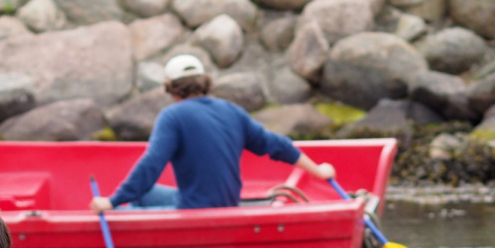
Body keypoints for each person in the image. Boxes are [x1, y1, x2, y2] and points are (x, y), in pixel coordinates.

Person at [88, 54, 336, 213]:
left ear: (171, 88)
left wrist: (112, 202)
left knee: (117, 211)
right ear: (204, 82)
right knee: (145, 192)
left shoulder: (172, 116)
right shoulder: (231, 110)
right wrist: (319, 170)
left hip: (196, 209)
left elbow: (152, 164)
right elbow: (276, 145)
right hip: (227, 203)